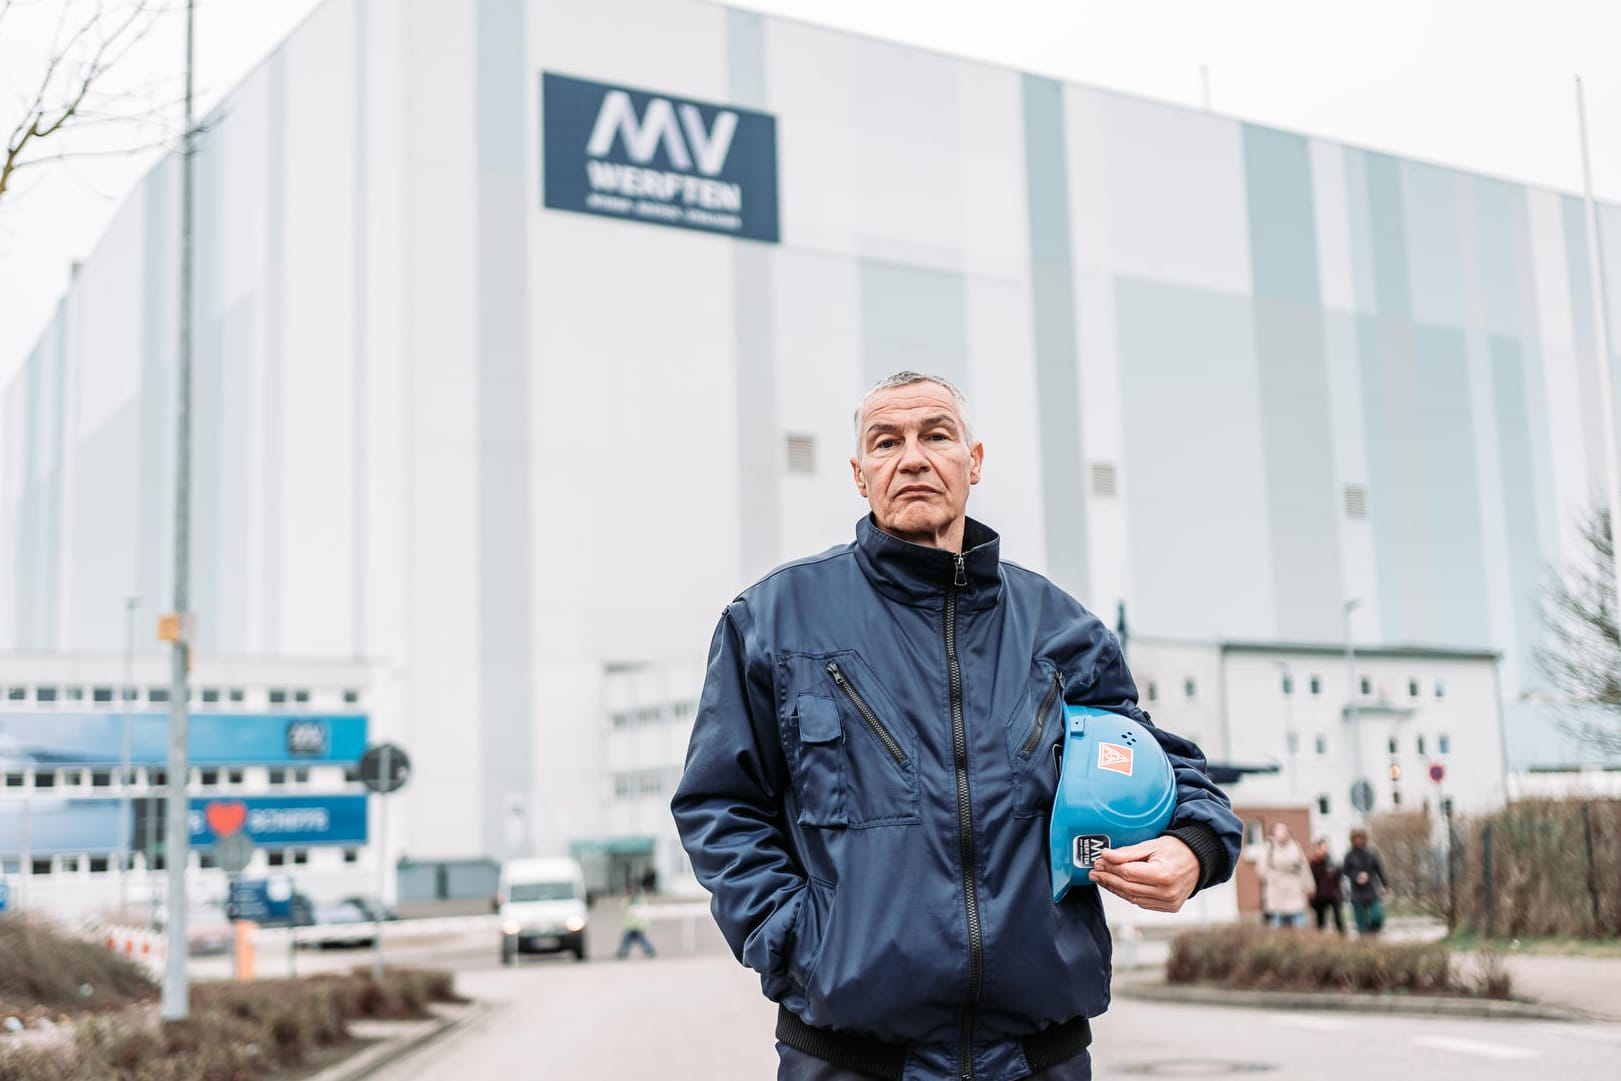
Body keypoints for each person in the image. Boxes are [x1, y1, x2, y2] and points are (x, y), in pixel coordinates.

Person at [671, 372, 1243, 1081]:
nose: (912, 457)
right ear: (859, 473)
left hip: (1037, 1059)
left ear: (973, 461)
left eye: (935, 434)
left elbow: (1159, 763)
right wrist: (794, 938)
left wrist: (1193, 845)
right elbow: (718, 803)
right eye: (886, 441)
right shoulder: (772, 623)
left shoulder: (1059, 630)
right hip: (851, 1060)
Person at [1257, 822, 1312, 929]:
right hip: (1277, 892)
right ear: (1274, 833)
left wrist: (1309, 885)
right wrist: (1272, 878)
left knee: (1299, 924)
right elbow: (1261, 869)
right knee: (1277, 925)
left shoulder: (1295, 845)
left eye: (1284, 830)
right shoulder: (1269, 847)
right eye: (1279, 830)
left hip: (1294, 890)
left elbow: (1304, 867)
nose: (1282, 833)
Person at [1342, 827, 1388, 938]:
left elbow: (1379, 869)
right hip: (1357, 892)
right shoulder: (1349, 855)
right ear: (1352, 840)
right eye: (1355, 838)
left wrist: (1385, 885)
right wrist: (1357, 876)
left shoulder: (1372, 852)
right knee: (1361, 926)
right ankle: (1365, 943)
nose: (1358, 840)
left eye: (1360, 838)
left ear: (1364, 838)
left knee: (1376, 917)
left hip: (1371, 889)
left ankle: (1372, 931)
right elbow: (1345, 871)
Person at [1308, 837, 1345, 934]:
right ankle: (1322, 939)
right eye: (1322, 847)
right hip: (1320, 895)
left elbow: (1339, 876)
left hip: (1333, 893)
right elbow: (1312, 878)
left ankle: (1342, 937)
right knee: (1320, 921)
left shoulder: (1332, 861)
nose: (1325, 849)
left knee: (1338, 918)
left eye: (1326, 847)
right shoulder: (1314, 863)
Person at [615, 888, 656, 959]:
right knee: (632, 939)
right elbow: (623, 908)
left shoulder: (640, 901)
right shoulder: (627, 901)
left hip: (638, 925)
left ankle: (623, 952)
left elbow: (644, 911)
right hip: (630, 925)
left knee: (636, 939)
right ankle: (649, 950)